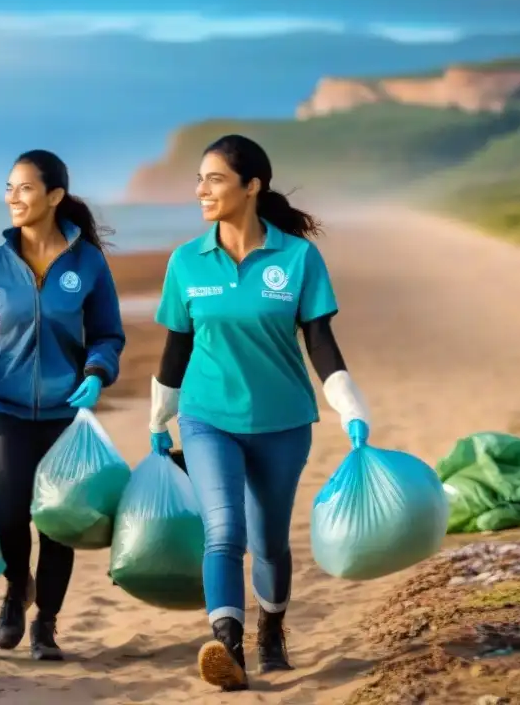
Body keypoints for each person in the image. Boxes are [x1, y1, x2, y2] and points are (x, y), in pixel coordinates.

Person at [148, 134, 370, 691]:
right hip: (206, 417)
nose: (201, 189)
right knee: (224, 532)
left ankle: (271, 632)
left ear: (252, 186)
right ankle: (229, 648)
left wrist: (348, 405)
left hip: (283, 421)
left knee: (270, 540)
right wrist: (158, 418)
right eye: (198, 178)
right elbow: (177, 345)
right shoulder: (186, 261)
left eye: (214, 179)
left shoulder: (297, 258)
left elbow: (319, 340)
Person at [0, 150, 126, 661]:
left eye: (25, 189)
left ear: (55, 196)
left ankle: (47, 625)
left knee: (58, 521)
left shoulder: (88, 263)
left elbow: (107, 335)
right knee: (8, 515)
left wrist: (97, 372)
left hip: (66, 413)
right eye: (9, 188)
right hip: (7, 410)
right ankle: (17, 588)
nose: (13, 198)